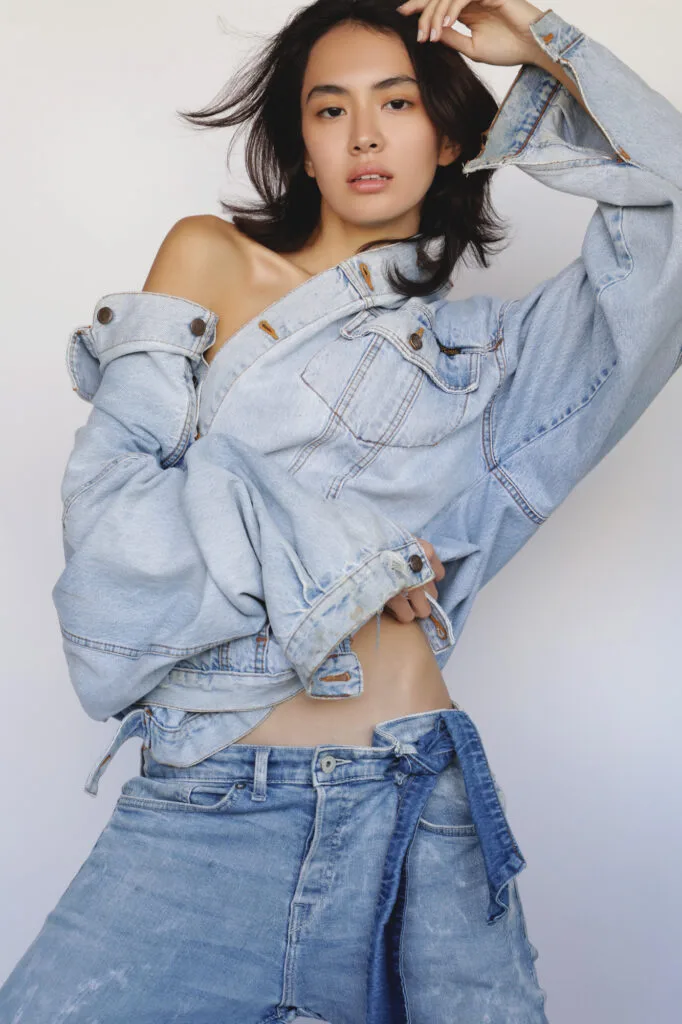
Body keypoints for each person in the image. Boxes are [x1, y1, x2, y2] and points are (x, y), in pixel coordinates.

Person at [2, 1, 680, 1020]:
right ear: (304, 145)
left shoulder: (493, 366)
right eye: (331, 110)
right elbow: (108, 528)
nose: (364, 135)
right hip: (211, 802)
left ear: (445, 136)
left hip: (419, 809)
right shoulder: (211, 261)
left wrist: (545, 45)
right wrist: (354, 557)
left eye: (396, 103)